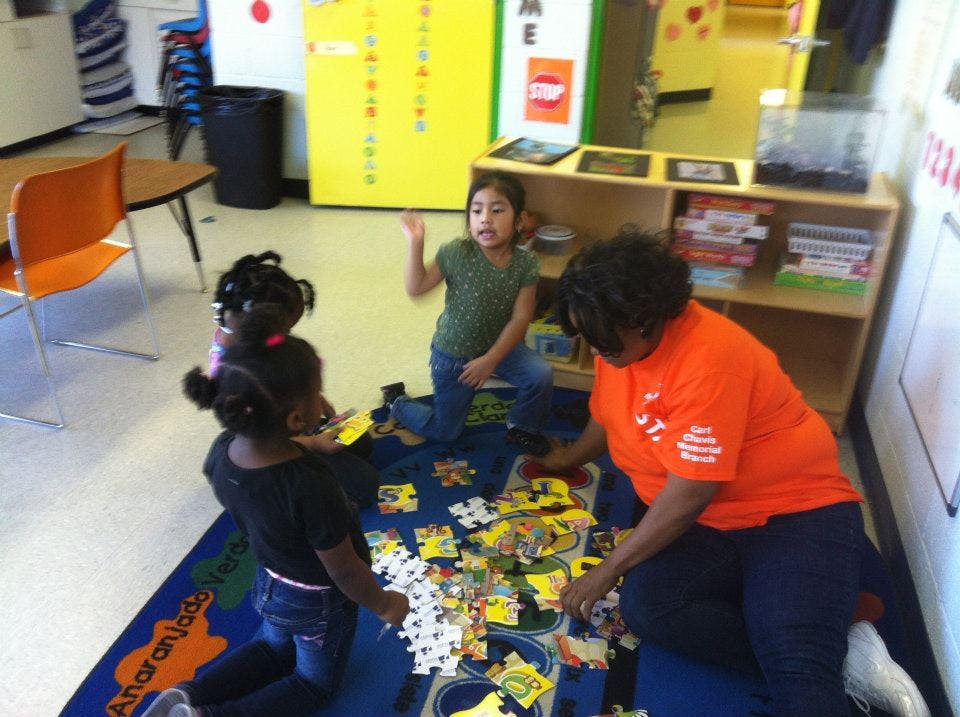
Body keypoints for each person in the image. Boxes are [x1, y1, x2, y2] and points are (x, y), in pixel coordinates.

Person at [538, 229, 930, 717]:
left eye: (599, 339)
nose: (594, 352)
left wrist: (606, 570)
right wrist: (570, 458)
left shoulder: (709, 360)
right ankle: (842, 654)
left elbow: (689, 496)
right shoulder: (620, 344)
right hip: (709, 523)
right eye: (584, 337)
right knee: (649, 608)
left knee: (800, 676)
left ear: (645, 319)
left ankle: (814, 655)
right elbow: (608, 410)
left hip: (794, 512)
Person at [144, 305, 409, 717]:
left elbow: (268, 456)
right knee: (311, 685)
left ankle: (187, 696)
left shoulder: (223, 453)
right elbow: (344, 572)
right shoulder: (310, 483)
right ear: (298, 417)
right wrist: (384, 604)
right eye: (317, 390)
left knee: (270, 647)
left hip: (271, 581)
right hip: (318, 602)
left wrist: (311, 443)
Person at [382, 170, 554, 455]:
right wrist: (416, 243)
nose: (485, 218)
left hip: (502, 349)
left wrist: (491, 360)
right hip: (454, 357)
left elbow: (521, 318)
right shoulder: (456, 252)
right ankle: (396, 401)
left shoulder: (526, 263)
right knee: (446, 432)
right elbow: (417, 287)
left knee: (541, 374)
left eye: (497, 210)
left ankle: (522, 426)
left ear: (520, 220)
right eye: (476, 211)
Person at [209, 251, 379, 508]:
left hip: (288, 427)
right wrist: (313, 443)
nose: (287, 335)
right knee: (366, 485)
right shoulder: (236, 375)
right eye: (285, 328)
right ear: (258, 322)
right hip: (268, 454)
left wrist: (312, 396)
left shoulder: (256, 344)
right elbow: (259, 441)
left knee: (360, 441)